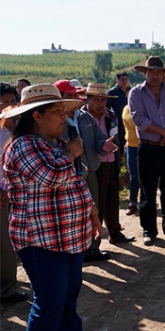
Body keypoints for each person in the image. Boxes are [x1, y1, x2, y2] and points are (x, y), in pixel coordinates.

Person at [2, 84, 105, 331]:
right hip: (39, 241)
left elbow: (76, 181)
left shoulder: (53, 144)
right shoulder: (23, 146)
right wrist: (71, 152)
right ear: (37, 116)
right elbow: (52, 177)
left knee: (69, 293)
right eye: (58, 112)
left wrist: (92, 211)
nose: (64, 117)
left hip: (67, 238)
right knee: (49, 302)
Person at [55, 80, 114, 263]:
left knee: (93, 210)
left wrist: (103, 146)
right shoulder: (55, 121)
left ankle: (93, 249)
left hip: (90, 171)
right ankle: (75, 252)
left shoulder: (85, 117)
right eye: (69, 95)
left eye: (75, 95)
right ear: (60, 98)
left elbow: (99, 139)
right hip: (67, 177)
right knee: (73, 215)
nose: (74, 98)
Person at [129, 56, 165, 245]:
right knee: (147, 190)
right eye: (151, 72)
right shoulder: (136, 94)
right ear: (145, 73)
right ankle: (148, 230)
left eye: (158, 72)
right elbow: (139, 119)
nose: (154, 75)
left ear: (163, 73)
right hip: (148, 147)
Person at [83, 83, 134, 246]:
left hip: (111, 162)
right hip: (93, 166)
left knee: (112, 200)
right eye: (96, 100)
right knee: (97, 204)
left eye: (103, 100)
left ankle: (115, 233)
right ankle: (93, 245)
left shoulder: (111, 116)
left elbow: (116, 137)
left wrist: (117, 158)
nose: (100, 103)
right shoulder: (82, 118)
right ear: (88, 100)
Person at [0, 82, 29, 303]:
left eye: (12, 101)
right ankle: (6, 287)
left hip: (17, 191)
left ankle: (9, 283)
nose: (9, 105)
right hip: (2, 193)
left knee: (12, 240)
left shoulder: (20, 126)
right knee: (4, 242)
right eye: (4, 102)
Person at [121, 103, 139, 215]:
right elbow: (137, 124)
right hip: (133, 146)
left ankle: (146, 202)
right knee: (134, 176)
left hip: (148, 145)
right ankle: (133, 201)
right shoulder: (127, 109)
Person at [107, 72, 131, 152]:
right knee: (119, 141)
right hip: (118, 122)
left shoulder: (131, 91)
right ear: (117, 81)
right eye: (122, 80)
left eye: (126, 79)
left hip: (130, 122)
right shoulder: (112, 93)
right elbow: (107, 108)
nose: (124, 82)